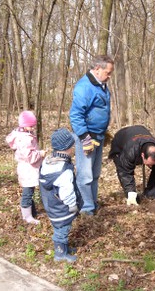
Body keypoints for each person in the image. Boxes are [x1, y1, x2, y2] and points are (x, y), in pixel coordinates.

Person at [69, 55, 114, 215]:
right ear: (97, 69)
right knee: (85, 174)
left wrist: (103, 129)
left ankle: (92, 202)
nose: (109, 76)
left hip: (99, 135)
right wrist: (84, 137)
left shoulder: (100, 84)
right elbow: (75, 115)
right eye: (108, 73)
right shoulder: (84, 87)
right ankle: (86, 209)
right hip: (87, 137)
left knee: (95, 173)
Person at [39, 128, 83, 262]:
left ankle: (64, 247)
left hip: (51, 204)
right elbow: (67, 192)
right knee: (62, 230)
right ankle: (60, 253)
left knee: (60, 228)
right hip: (62, 208)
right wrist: (72, 205)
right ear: (68, 148)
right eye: (72, 147)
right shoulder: (64, 171)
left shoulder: (49, 161)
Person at [108, 125, 155, 205]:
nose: (150, 167)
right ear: (143, 155)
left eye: (152, 165)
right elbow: (125, 172)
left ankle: (151, 195)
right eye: (149, 164)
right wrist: (130, 192)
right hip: (120, 141)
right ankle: (132, 197)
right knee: (122, 165)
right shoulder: (130, 152)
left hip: (140, 130)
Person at [6, 110, 46, 224]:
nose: (33, 128)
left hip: (27, 169)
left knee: (30, 191)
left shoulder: (23, 135)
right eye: (31, 126)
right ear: (24, 125)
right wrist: (40, 153)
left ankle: (31, 212)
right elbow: (30, 157)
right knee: (28, 193)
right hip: (28, 170)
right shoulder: (24, 139)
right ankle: (27, 217)